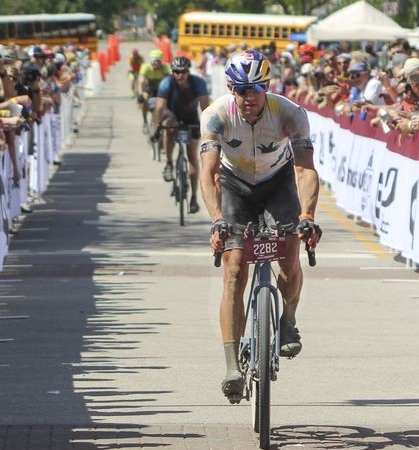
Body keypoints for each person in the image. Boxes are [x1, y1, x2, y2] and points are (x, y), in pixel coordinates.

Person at [198, 50, 322, 402]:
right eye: (240, 90)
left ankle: (288, 319)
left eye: (255, 89)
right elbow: (208, 173)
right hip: (236, 186)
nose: (248, 98)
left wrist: (307, 216)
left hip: (278, 181)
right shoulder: (217, 115)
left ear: (267, 87)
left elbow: (305, 169)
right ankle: (231, 365)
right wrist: (217, 221)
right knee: (234, 270)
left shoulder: (290, 114)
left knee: (290, 252)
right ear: (230, 88)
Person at [153, 55, 211, 212]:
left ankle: (193, 198)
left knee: (192, 157)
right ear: (172, 72)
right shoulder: (166, 83)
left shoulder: (198, 83)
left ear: (188, 72)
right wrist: (157, 127)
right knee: (168, 127)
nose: (180, 75)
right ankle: (169, 163)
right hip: (172, 116)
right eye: (176, 72)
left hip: (192, 119)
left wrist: (208, 129)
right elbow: (159, 107)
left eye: (183, 72)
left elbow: (206, 107)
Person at [137, 50, 169, 132]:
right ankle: (145, 121)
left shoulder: (164, 67)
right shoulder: (145, 67)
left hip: (160, 87)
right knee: (144, 98)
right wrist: (141, 94)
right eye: (154, 61)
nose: (156, 64)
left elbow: (169, 80)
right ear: (151, 61)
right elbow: (141, 81)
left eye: (158, 61)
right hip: (149, 87)